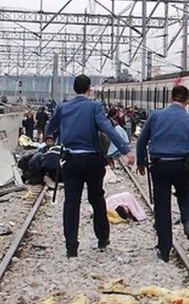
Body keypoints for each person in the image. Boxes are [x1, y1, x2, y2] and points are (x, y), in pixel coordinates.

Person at [46, 74, 134, 258]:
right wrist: (126, 150)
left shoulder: (63, 107)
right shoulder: (95, 106)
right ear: (89, 89)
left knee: (71, 203)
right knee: (96, 199)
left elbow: (51, 126)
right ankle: (102, 239)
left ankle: (71, 247)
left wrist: (48, 136)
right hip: (92, 161)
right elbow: (108, 129)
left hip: (71, 161)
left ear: (74, 89)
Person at [136, 85, 189, 262]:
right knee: (185, 194)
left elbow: (141, 141)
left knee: (162, 206)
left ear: (171, 97)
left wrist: (141, 162)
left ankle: (164, 250)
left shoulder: (155, 115)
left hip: (159, 165)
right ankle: (187, 221)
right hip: (182, 166)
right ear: (188, 101)